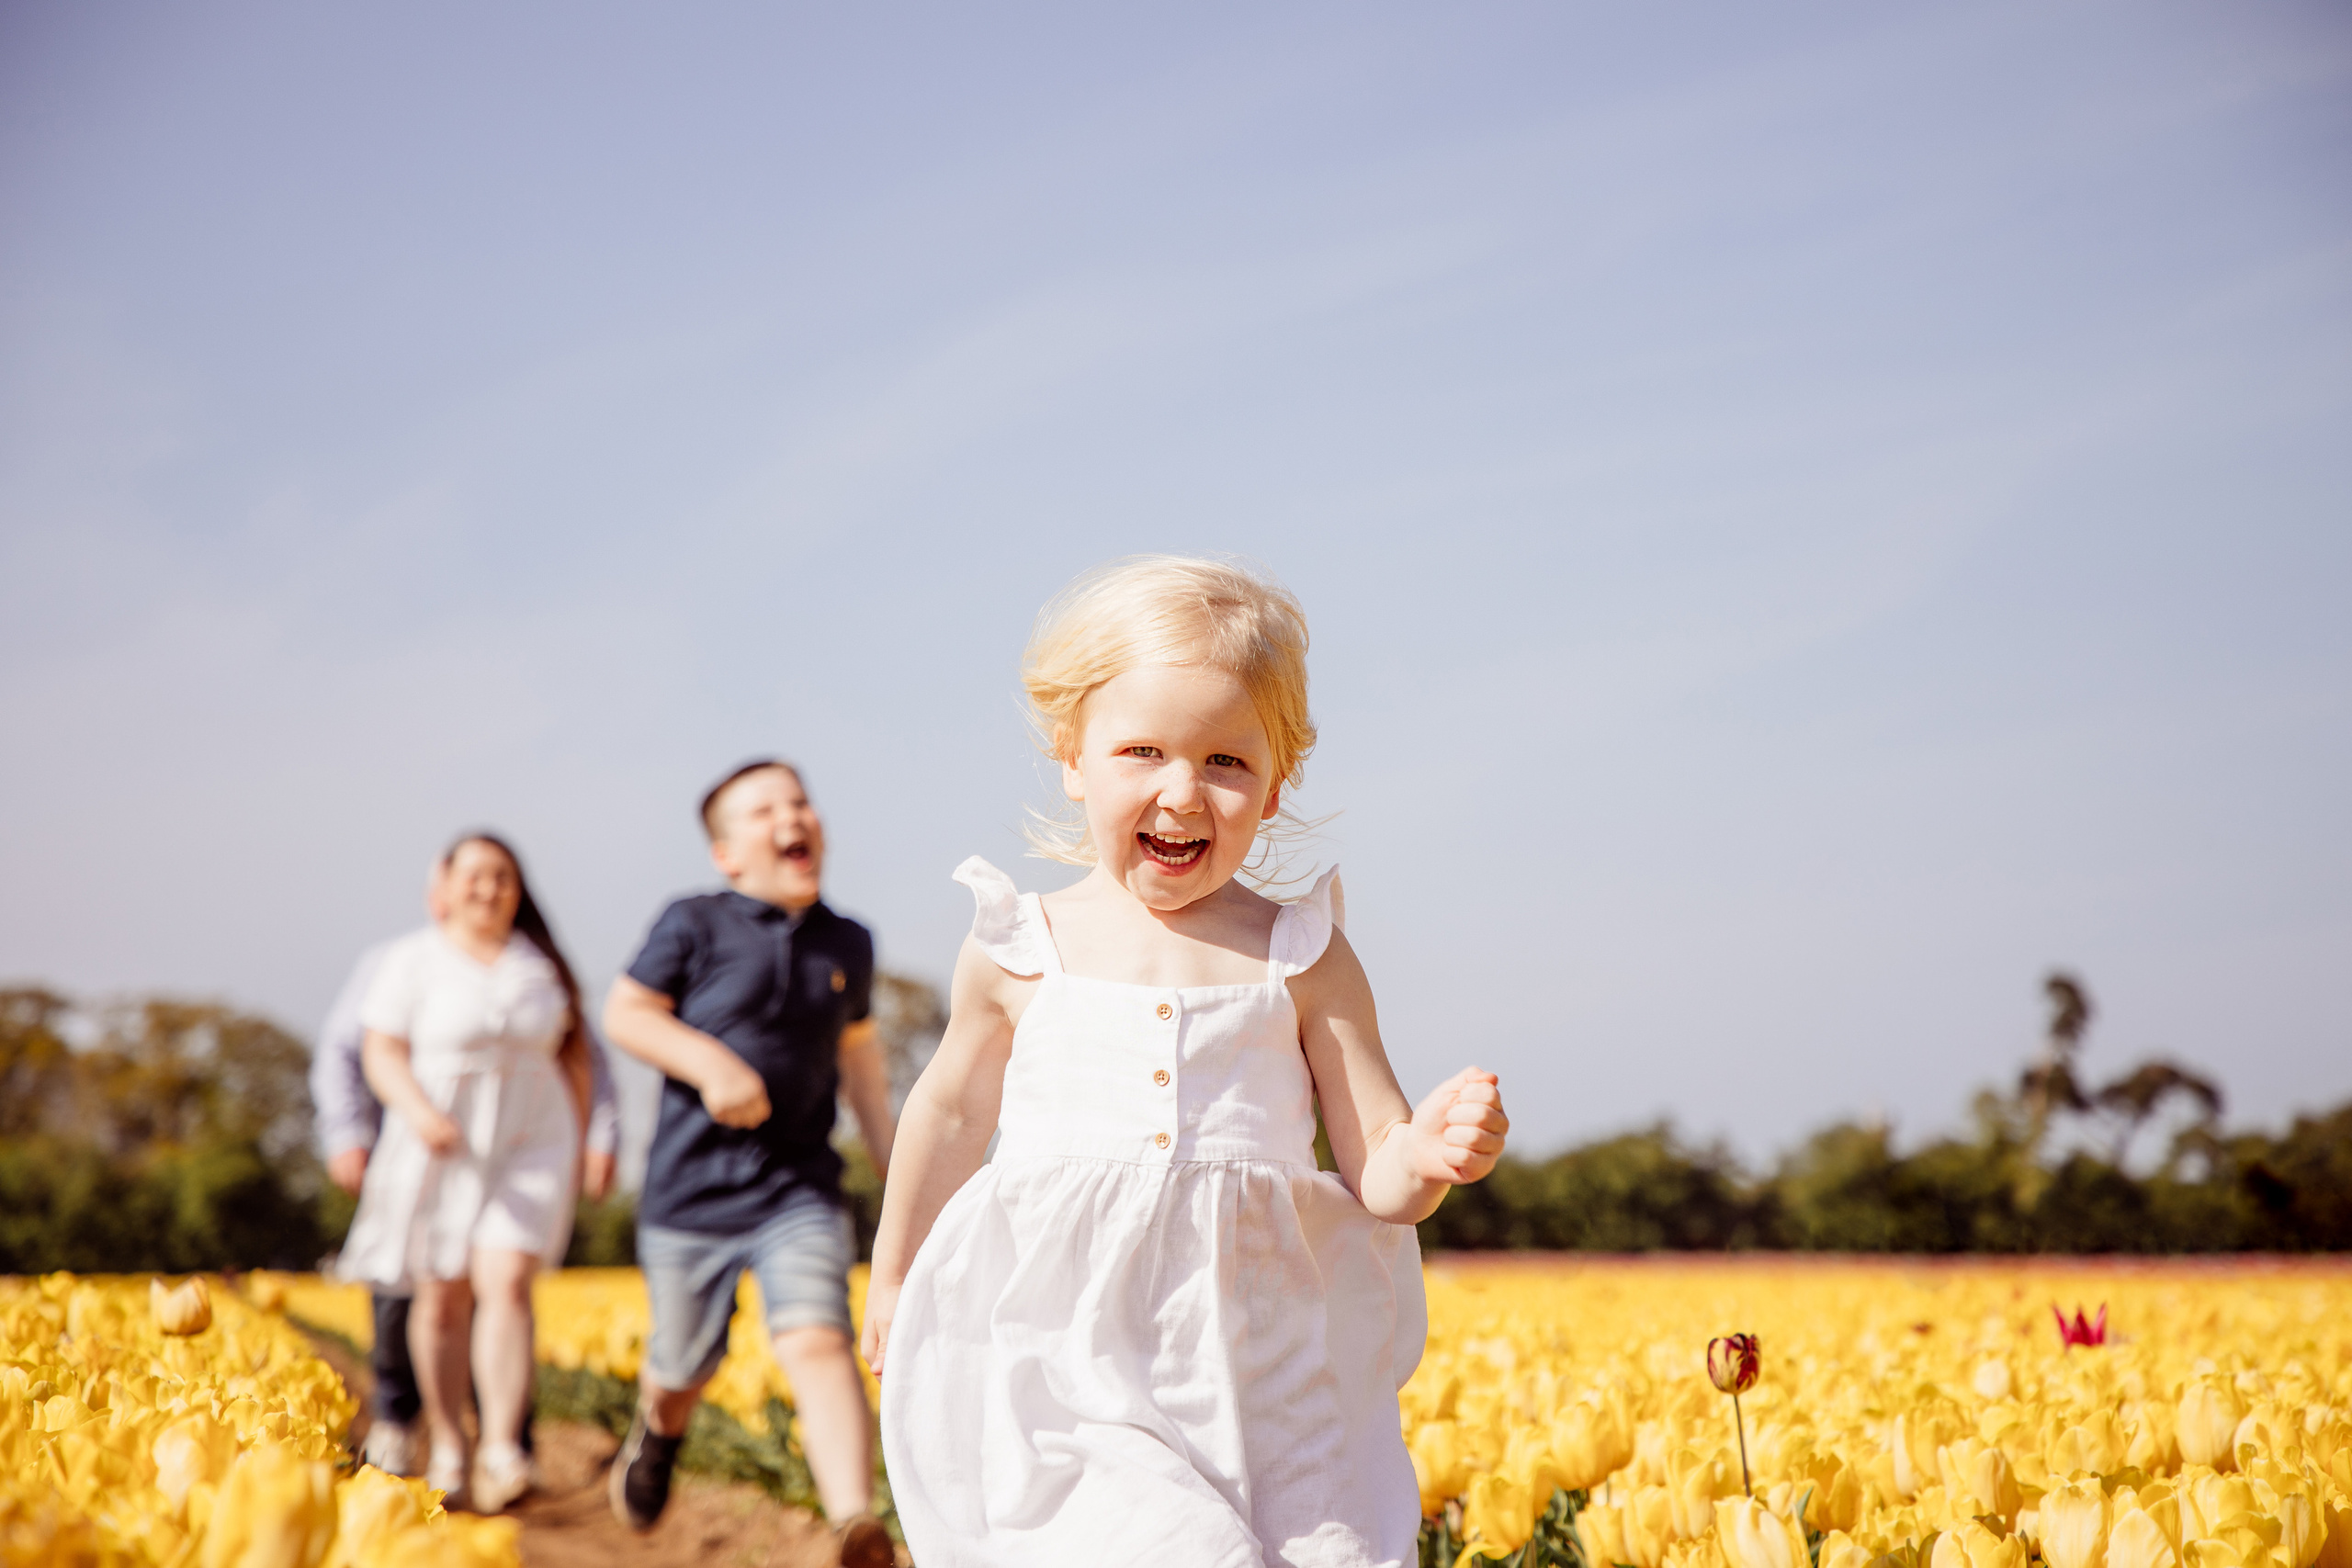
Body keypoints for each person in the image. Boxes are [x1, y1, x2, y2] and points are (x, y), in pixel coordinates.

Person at [862, 556, 1510, 1567]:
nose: (1182, 790)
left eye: (1226, 762)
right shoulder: (1020, 945)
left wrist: (1424, 1154)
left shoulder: (1301, 955)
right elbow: (947, 1115)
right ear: (1073, 758)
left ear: (1275, 782)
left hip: (1269, 1373)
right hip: (1075, 1364)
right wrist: (896, 1275)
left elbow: (1377, 1165)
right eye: (1143, 751)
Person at [603, 761, 897, 1567]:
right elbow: (626, 1011)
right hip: (690, 1195)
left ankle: (852, 1524)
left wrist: (897, 1163)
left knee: (817, 1336)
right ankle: (658, 1434)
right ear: (728, 853)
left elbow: (861, 1063)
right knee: (683, 1364)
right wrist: (710, 1066)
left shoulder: (849, 941)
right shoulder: (692, 921)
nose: (791, 815)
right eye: (764, 809)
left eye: (800, 800)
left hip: (798, 1186)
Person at [312, 863, 619, 1481]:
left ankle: (504, 1447)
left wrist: (597, 1136)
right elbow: (359, 1050)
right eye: (472, 875)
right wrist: (361, 1128)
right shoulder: (401, 959)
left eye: (503, 875)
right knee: (438, 1292)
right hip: (438, 1142)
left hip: (531, 1141)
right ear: (440, 891)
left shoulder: (542, 964)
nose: (489, 888)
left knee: (507, 1282)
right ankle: (441, 1439)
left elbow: (583, 1055)